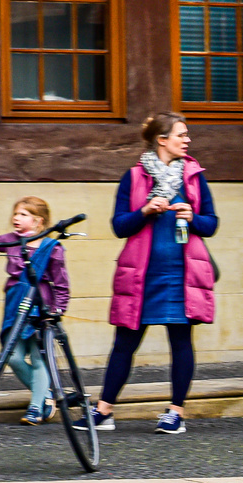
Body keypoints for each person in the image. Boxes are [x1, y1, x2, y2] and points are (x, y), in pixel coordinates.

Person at [83, 113, 219, 436]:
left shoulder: (195, 176)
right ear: (162, 139)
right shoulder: (133, 177)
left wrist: (193, 216)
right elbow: (119, 227)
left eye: (187, 136)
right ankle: (104, 410)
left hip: (182, 274)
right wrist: (144, 211)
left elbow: (211, 224)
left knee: (181, 341)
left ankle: (175, 413)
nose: (187, 141)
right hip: (141, 275)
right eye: (181, 135)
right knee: (124, 343)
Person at [0, 193, 69, 425]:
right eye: (15, 213)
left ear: (39, 220)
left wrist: (57, 310)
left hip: (40, 308)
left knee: (39, 359)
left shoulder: (52, 247)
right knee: (13, 357)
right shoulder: (12, 240)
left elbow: (61, 284)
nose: (16, 218)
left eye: (23, 214)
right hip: (14, 307)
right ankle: (45, 394)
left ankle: (35, 408)